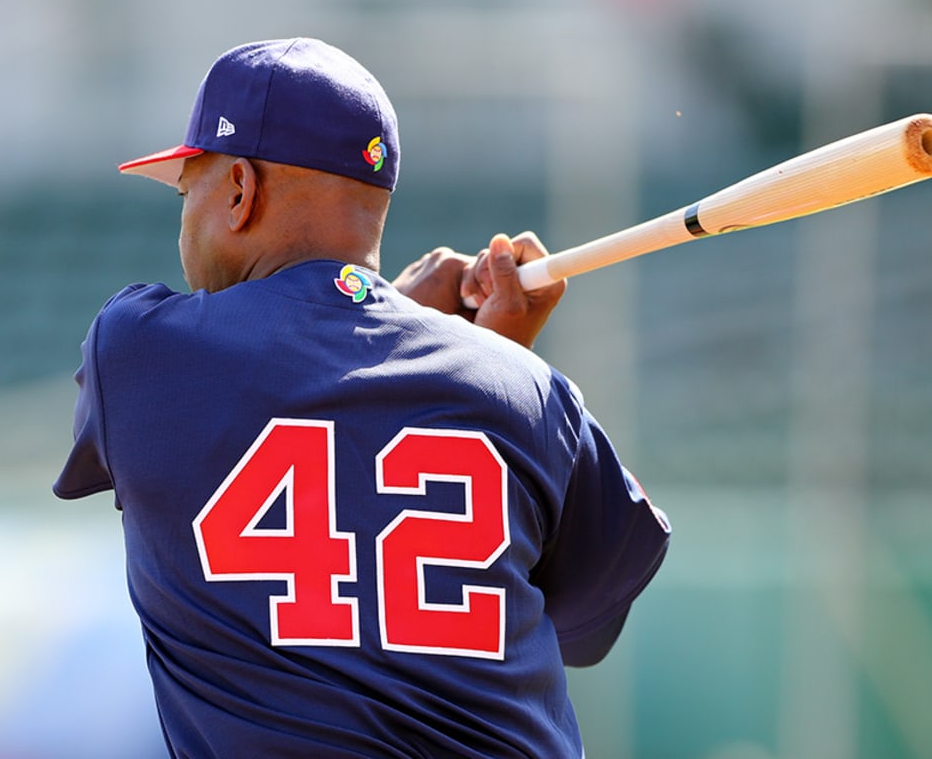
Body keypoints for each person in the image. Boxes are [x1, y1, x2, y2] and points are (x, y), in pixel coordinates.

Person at [54, 37, 670, 758]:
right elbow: (582, 627)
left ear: (239, 191)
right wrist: (483, 356)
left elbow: (297, 376)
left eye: (190, 188)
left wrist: (398, 327)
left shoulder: (138, 353)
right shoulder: (527, 392)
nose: (186, 218)